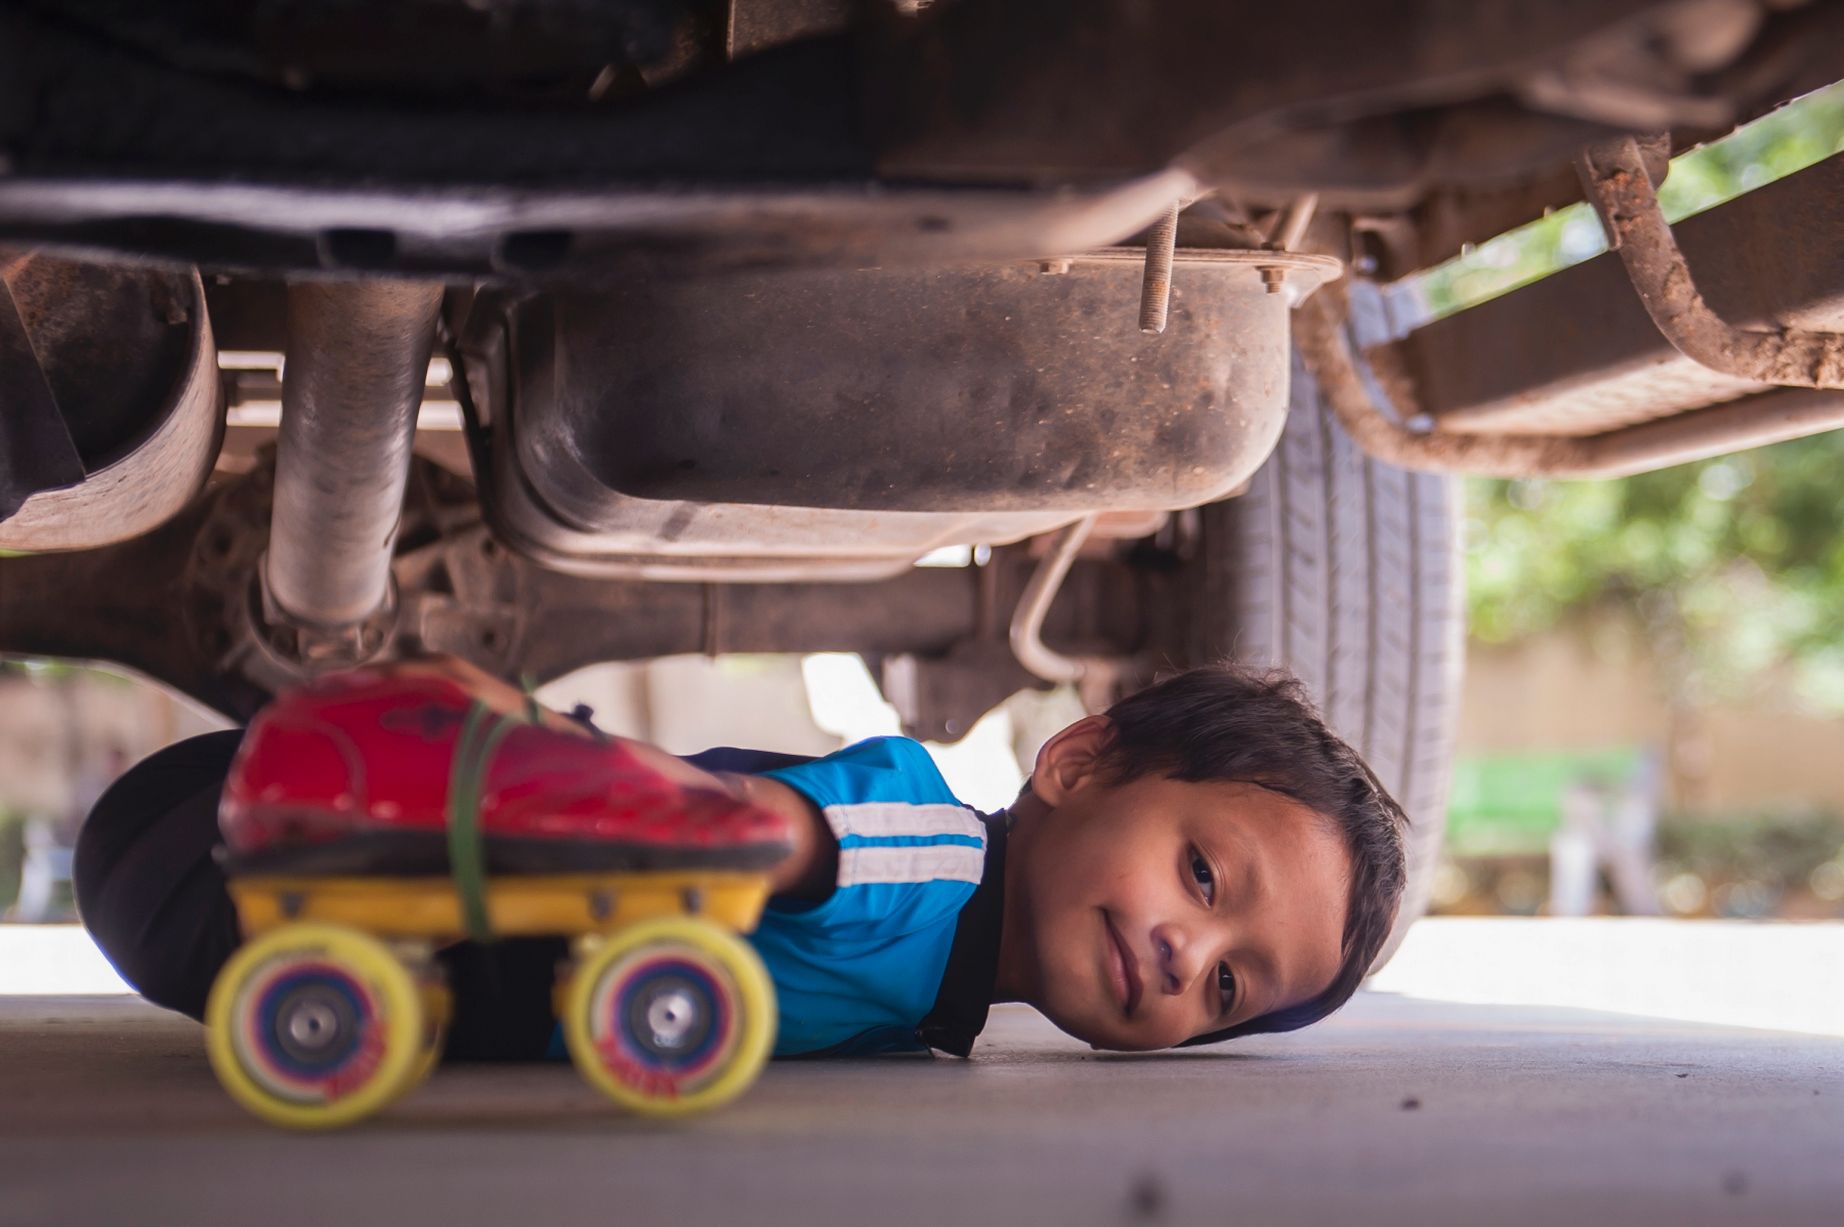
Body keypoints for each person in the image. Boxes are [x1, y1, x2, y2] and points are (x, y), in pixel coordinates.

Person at [73, 659, 1406, 1060]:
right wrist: (546, 758)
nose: (1187, 952)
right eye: (1205, 879)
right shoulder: (932, 852)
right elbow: (783, 836)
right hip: (216, 851)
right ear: (1079, 764)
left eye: (1229, 990)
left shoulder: (940, 984)